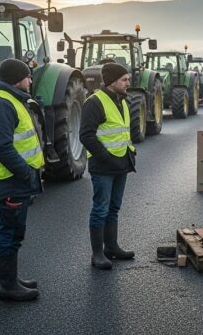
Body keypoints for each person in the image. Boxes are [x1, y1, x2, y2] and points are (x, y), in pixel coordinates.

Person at [0, 58, 43, 302]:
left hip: (14, 180)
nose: (30, 80)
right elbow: (2, 148)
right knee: (8, 233)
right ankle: (7, 287)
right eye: (28, 76)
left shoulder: (11, 100)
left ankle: (12, 279)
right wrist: (27, 173)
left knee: (16, 232)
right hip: (9, 181)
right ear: (18, 79)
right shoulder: (1, 104)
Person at [79, 62, 137, 270]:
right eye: (124, 79)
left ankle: (112, 247)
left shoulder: (122, 100)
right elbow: (86, 135)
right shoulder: (94, 102)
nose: (128, 82)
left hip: (121, 164)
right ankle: (97, 254)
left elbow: (121, 132)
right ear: (112, 81)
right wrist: (106, 157)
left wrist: (129, 155)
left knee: (113, 209)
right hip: (104, 166)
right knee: (100, 209)